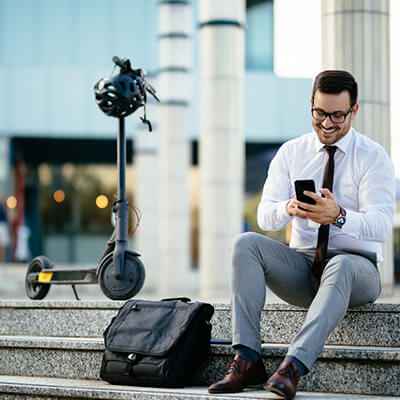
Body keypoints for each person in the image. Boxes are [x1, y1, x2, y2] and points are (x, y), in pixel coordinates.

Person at [208, 70, 396, 399]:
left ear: (354, 111)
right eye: (320, 113)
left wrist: (338, 216)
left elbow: (382, 225)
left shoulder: (373, 156)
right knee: (245, 244)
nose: (327, 123)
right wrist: (289, 209)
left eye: (338, 115)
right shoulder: (291, 153)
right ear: (311, 104)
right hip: (304, 267)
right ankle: (247, 359)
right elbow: (265, 216)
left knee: (342, 266)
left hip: (358, 272)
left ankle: (292, 366)